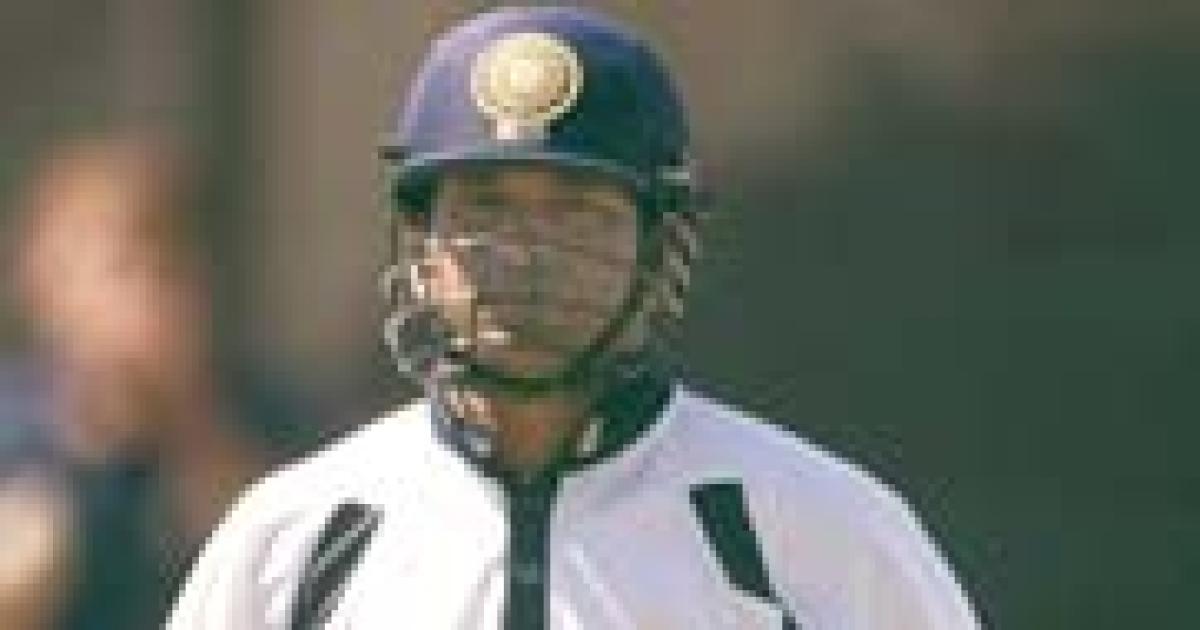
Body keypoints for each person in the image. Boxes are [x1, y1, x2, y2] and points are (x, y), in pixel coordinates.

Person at [168, 7, 980, 629]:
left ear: (659, 245)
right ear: (419, 239)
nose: (527, 255)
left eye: (579, 211)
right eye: (486, 207)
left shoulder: (816, 528)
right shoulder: (300, 532)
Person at [4, 131, 314, 629]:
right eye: (117, 272)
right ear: (44, 283)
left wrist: (188, 423)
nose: (141, 301)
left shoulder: (258, 414)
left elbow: (292, 577)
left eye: (163, 273)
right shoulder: (18, 426)